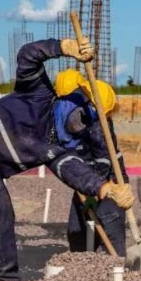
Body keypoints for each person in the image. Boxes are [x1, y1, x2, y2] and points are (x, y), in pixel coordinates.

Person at [0, 39, 134, 281]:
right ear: (73, 97)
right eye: (82, 106)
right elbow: (27, 56)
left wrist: (106, 188)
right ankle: (3, 280)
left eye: (88, 118)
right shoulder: (38, 93)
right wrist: (63, 47)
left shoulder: (56, 148)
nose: (80, 119)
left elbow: (75, 171)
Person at [53, 70, 128, 256]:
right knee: (77, 231)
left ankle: (115, 266)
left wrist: (94, 190)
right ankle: (82, 263)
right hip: (86, 179)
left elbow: (104, 160)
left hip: (109, 179)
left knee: (110, 224)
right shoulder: (66, 116)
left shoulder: (96, 121)